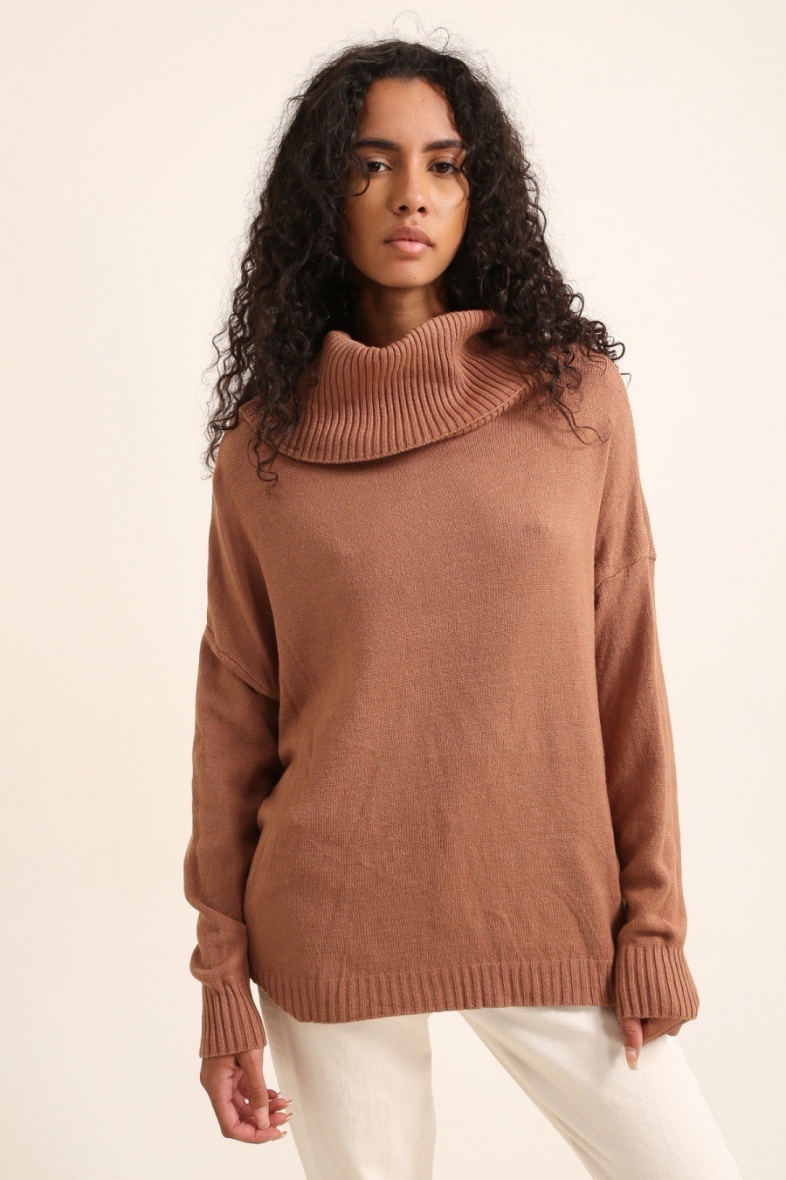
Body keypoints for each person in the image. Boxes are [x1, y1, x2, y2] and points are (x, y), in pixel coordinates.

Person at [183, 37, 743, 1179]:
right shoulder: (264, 448)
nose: (412, 195)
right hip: (330, 920)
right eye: (371, 163)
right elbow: (234, 709)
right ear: (322, 193)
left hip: (549, 904)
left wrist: (653, 921)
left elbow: (626, 667)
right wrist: (221, 979)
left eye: (444, 165)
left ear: (479, 192)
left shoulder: (571, 396)